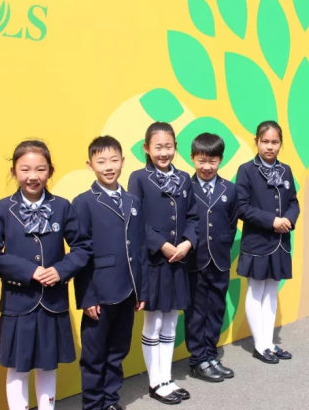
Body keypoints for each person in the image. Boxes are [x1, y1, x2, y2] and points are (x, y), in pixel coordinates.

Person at [0, 140, 91, 410]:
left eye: (40, 169)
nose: (33, 176)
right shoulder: (3, 209)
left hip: (53, 302)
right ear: (13, 172)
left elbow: (82, 247)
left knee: (47, 365)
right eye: (25, 169)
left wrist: (60, 270)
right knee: (17, 366)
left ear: (50, 171)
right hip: (18, 303)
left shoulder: (62, 207)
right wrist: (29, 271)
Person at [72, 135, 147, 410]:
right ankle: (93, 404)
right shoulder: (83, 202)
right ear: (90, 164)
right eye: (101, 161)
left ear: (123, 162)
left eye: (114, 160)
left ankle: (111, 401)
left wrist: (141, 289)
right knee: (94, 355)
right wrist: (87, 297)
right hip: (99, 292)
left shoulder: (132, 200)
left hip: (128, 290)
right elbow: (80, 253)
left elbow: (139, 248)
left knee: (118, 350)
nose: (108, 166)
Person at [128, 121, 198, 405]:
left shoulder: (184, 178)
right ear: (147, 148)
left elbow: (193, 216)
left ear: (175, 147)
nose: (164, 152)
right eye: (158, 147)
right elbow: (136, 220)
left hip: (178, 260)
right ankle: (155, 382)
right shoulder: (138, 178)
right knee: (154, 321)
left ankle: (167, 378)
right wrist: (162, 244)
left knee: (171, 321)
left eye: (168, 146)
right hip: (154, 262)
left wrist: (187, 242)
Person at [235, 121, 299, 364]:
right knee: (256, 290)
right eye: (265, 142)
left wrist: (288, 220)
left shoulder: (286, 170)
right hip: (258, 242)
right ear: (256, 141)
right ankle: (260, 345)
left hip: (280, 241)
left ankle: (270, 342)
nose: (270, 147)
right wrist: (272, 221)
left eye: (275, 142)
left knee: (272, 291)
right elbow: (242, 207)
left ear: (281, 143)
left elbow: (293, 202)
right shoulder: (246, 171)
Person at [184, 133, 238, 382]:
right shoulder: (186, 187)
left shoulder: (230, 189)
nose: (207, 167)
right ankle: (198, 360)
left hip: (220, 259)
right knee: (196, 311)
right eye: (201, 161)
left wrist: (222, 244)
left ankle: (210, 354)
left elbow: (231, 222)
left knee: (216, 308)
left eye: (212, 161)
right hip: (195, 260)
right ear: (192, 158)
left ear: (220, 160)